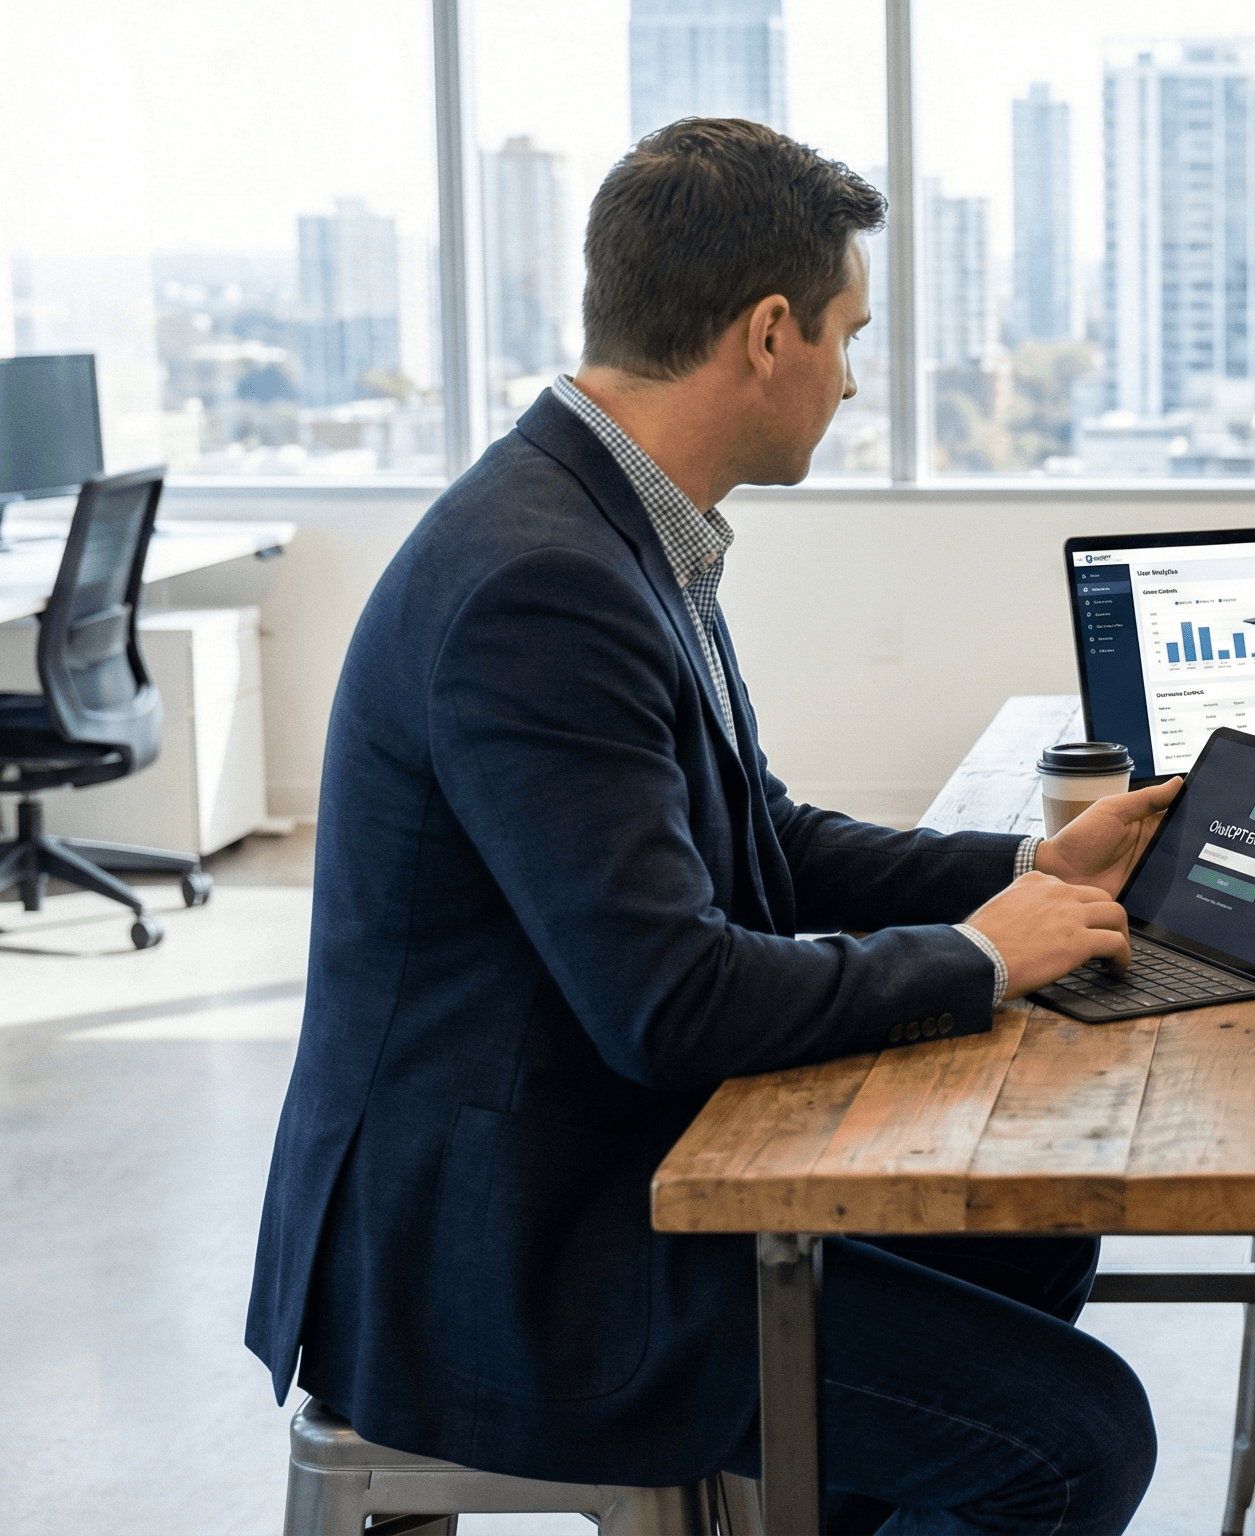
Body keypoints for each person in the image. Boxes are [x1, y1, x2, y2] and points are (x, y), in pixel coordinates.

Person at [246, 120, 1163, 1533]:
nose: (855, 382)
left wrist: (1031, 871)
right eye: (850, 338)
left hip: (582, 1173)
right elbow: (668, 1002)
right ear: (769, 331)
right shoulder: (538, 586)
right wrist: (981, 959)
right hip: (508, 1261)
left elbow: (764, 841)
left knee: (1026, 1231)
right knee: (1078, 1438)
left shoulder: (605, 521)